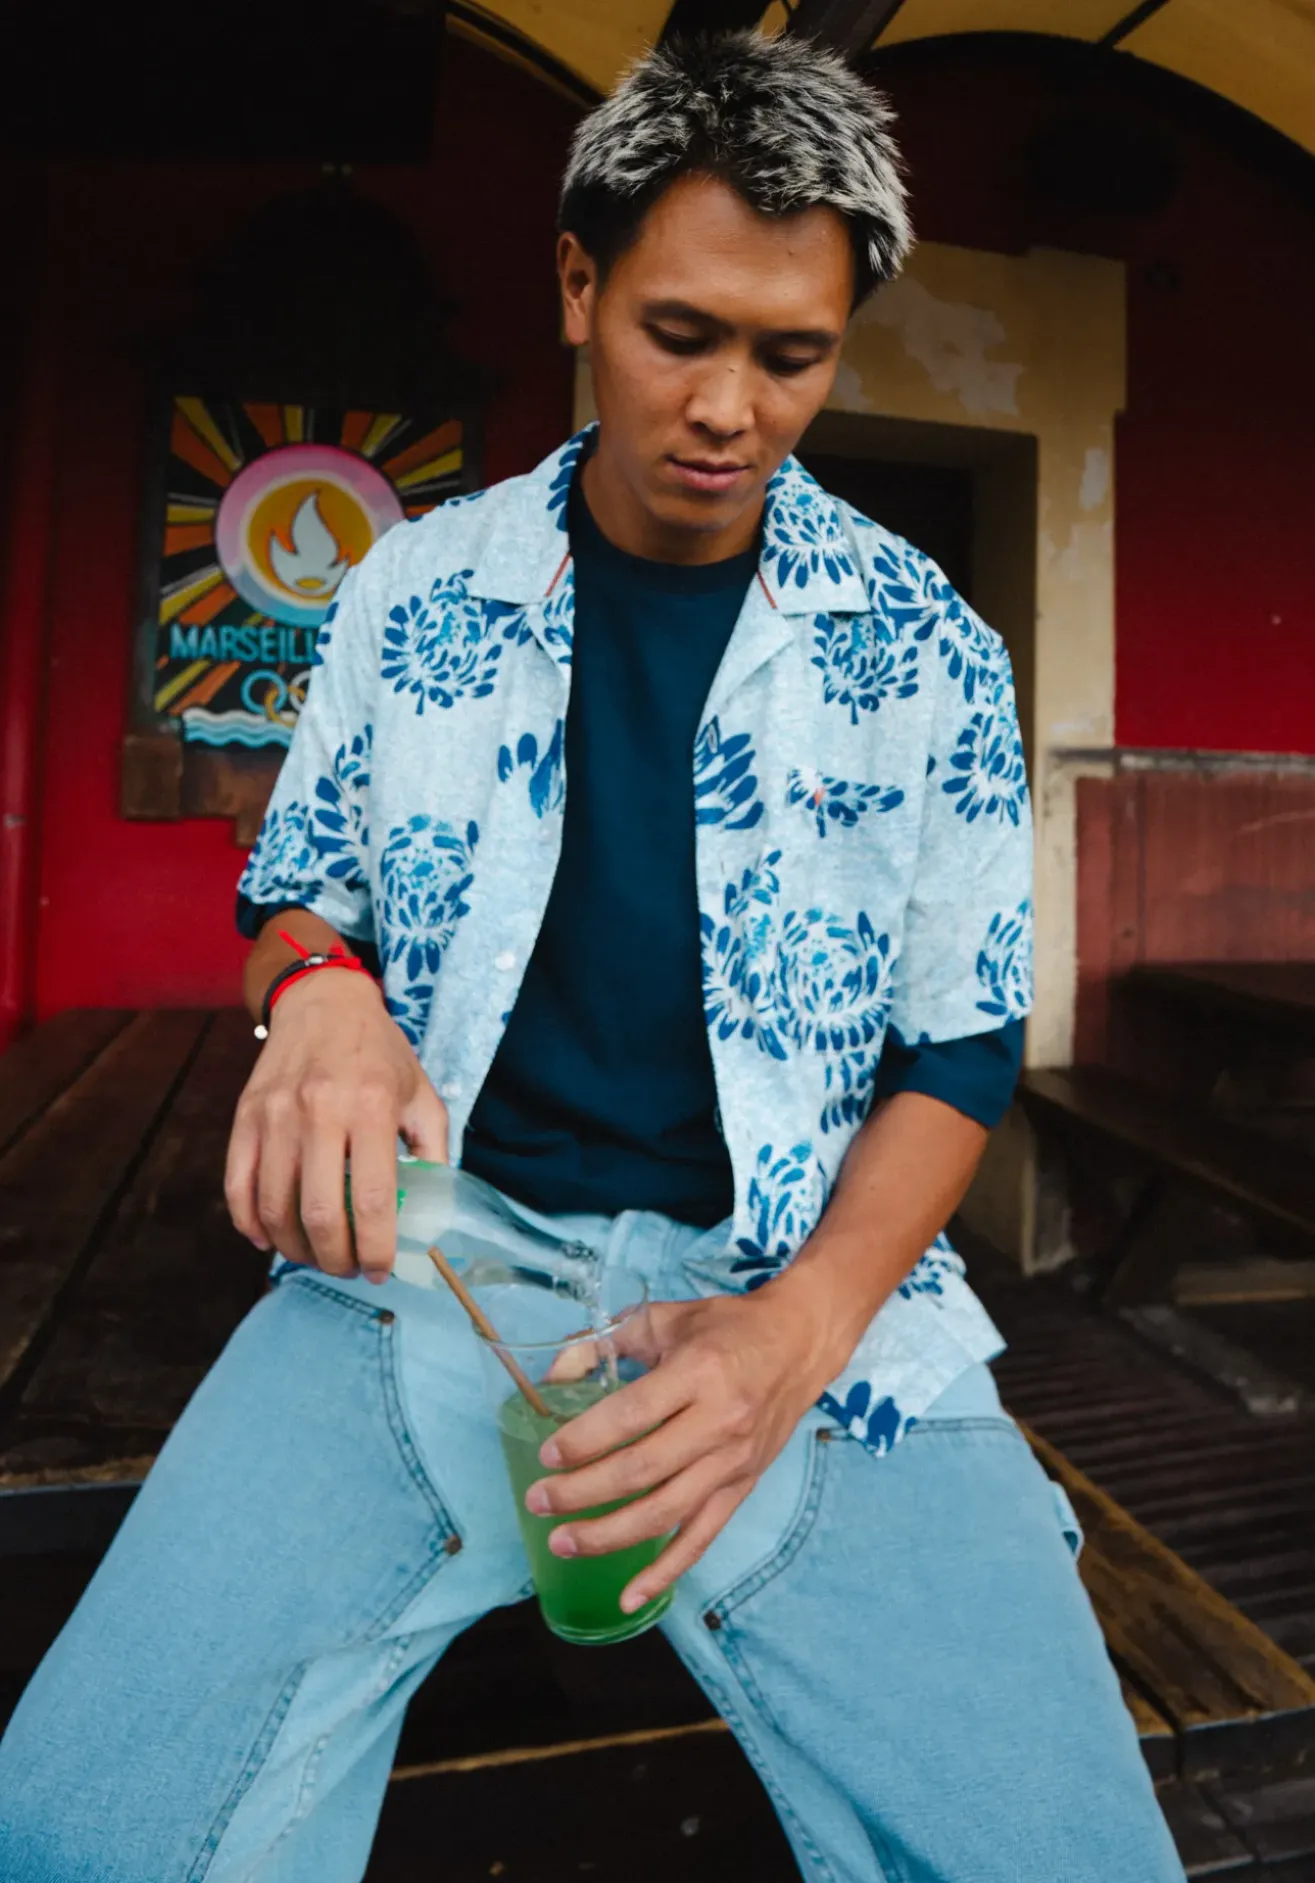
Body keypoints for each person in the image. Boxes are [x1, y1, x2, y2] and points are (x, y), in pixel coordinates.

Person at [0, 31, 1185, 1883]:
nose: (727, 407)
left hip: (797, 1294)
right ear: (575, 285)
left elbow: (957, 1052)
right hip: (430, 1261)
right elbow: (297, 896)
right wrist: (318, 995)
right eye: (677, 332)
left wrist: (797, 1333)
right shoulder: (410, 587)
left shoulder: (930, 648)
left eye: (789, 355)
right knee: (81, 1823)